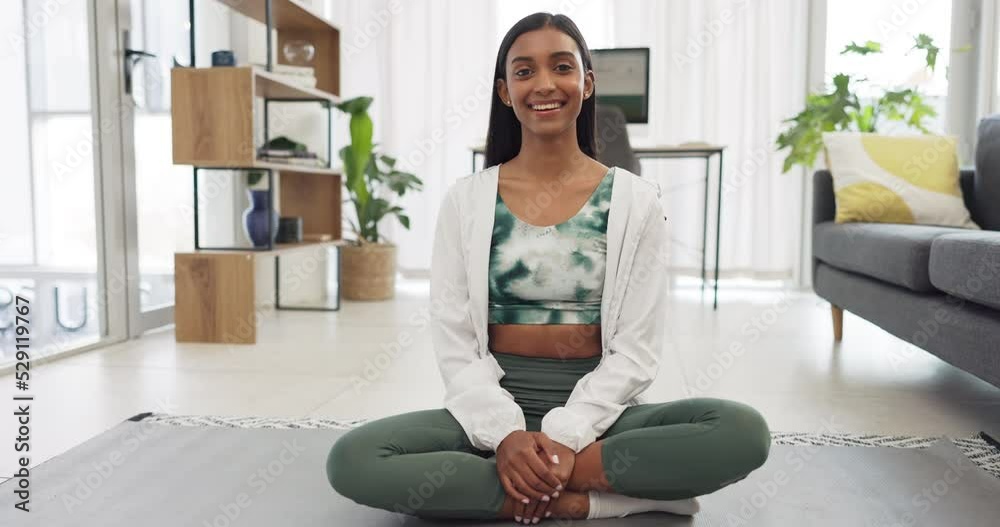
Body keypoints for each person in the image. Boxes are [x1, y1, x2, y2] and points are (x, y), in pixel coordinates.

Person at [326, 12, 771, 524]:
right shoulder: (467, 200)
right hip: (489, 412)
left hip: (602, 414)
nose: (544, 84)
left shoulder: (636, 201)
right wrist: (507, 435)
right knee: (354, 460)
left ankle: (530, 485)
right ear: (504, 91)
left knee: (742, 431)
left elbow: (637, 350)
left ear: (586, 81)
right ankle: (593, 497)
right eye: (523, 71)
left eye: (561, 66)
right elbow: (453, 339)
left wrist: (564, 436)